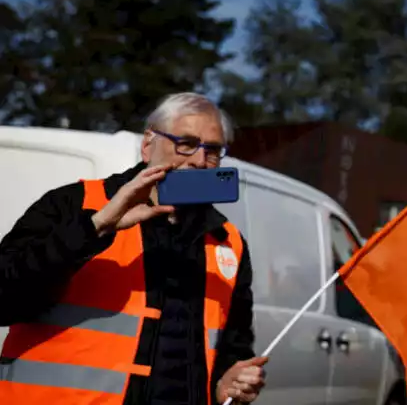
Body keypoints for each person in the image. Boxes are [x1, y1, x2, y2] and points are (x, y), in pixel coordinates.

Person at [0, 92, 267, 404]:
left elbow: (232, 349)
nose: (198, 160)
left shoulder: (227, 241)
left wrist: (228, 385)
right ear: (148, 144)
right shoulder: (73, 204)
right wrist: (95, 228)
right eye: (186, 143)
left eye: (212, 150)